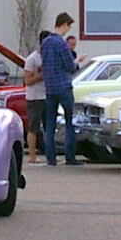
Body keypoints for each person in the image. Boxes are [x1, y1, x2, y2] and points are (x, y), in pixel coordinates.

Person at [41, 13, 83, 166]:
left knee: (50, 123)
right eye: (68, 26)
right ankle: (70, 157)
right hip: (64, 86)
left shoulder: (45, 43)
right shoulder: (62, 44)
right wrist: (77, 61)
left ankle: (50, 158)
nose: (68, 29)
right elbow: (70, 66)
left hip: (50, 87)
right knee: (70, 121)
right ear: (64, 24)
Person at [23, 30, 51, 164]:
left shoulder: (49, 57)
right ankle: (32, 156)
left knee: (49, 126)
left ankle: (50, 155)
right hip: (34, 97)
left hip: (47, 95)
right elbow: (27, 81)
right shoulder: (32, 59)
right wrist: (41, 76)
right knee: (34, 126)